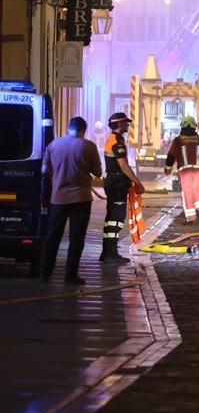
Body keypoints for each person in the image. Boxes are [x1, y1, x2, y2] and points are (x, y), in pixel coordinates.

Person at [40, 117, 102, 284]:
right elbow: (97, 172)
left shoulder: (54, 145)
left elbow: (44, 170)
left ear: (68, 128)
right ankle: (70, 275)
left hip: (58, 198)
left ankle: (45, 273)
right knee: (76, 238)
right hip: (81, 198)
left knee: (52, 236)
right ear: (83, 130)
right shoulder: (89, 146)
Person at [101, 112, 144, 264]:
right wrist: (137, 181)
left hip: (114, 183)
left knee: (111, 219)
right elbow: (123, 165)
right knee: (116, 219)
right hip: (117, 184)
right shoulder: (116, 142)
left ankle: (107, 252)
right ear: (119, 124)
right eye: (126, 123)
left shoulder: (113, 139)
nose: (128, 125)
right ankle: (110, 254)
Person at [164, 116, 199, 225]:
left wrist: (168, 169)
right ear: (194, 127)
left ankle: (191, 218)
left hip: (185, 170)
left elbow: (171, 156)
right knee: (196, 191)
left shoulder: (178, 140)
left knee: (187, 193)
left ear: (182, 126)